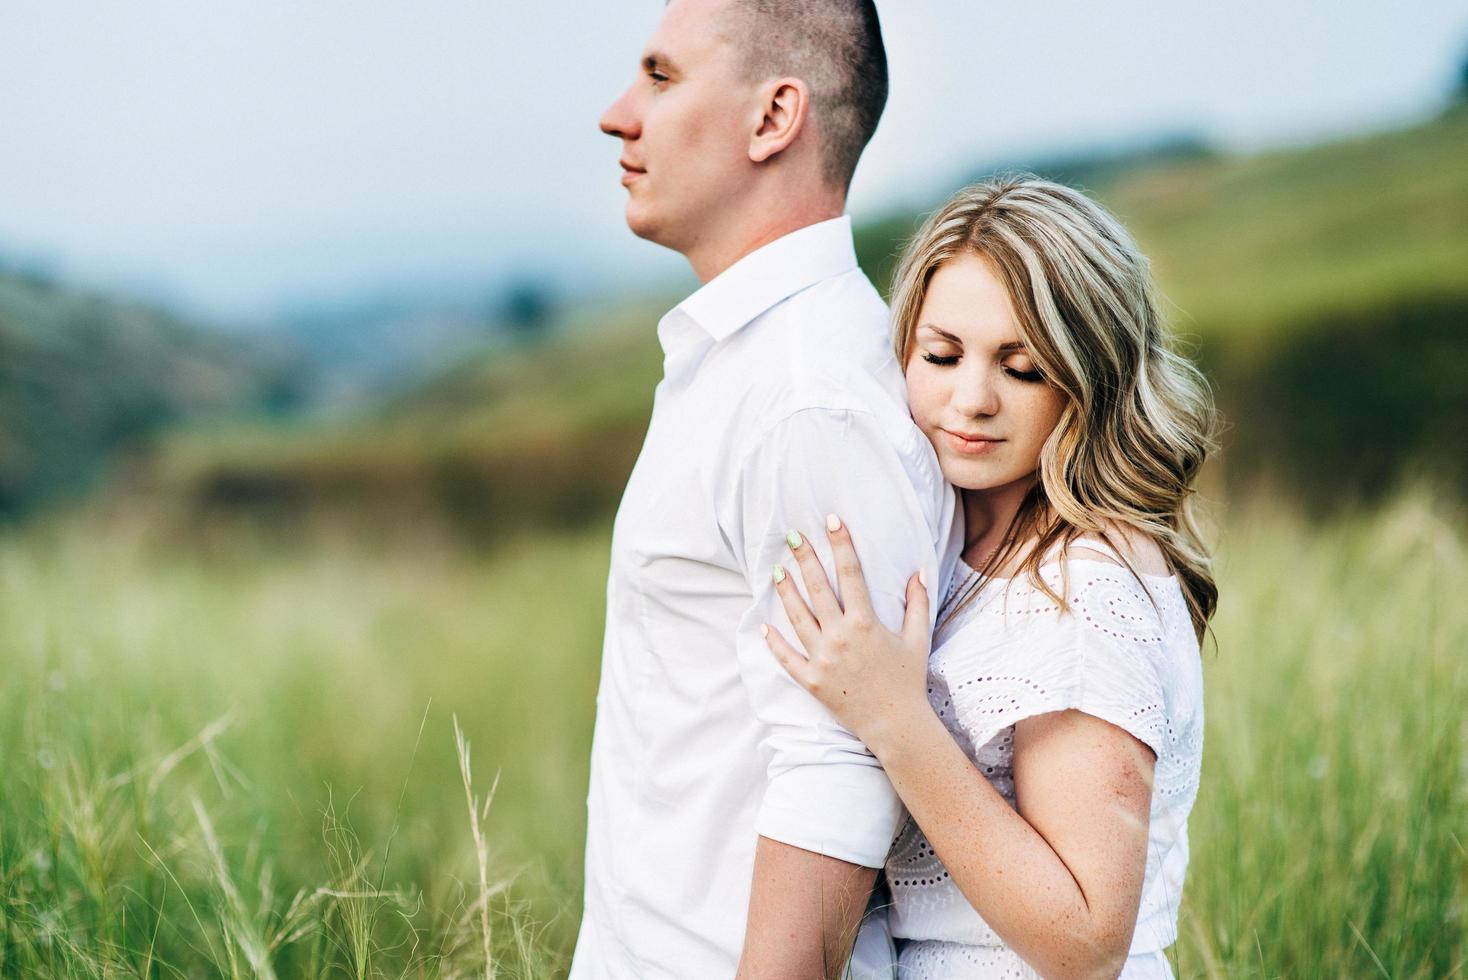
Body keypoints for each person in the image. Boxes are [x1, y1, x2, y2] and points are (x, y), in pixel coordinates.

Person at [571, 1, 960, 977]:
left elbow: (839, 767)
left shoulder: (804, 401)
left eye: (661, 77)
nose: (619, 114)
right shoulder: (754, 368)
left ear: (772, 118)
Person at [763, 177, 1217, 978]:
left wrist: (893, 716)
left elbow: (1086, 940)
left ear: (1091, 376)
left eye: (1023, 369)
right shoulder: (961, 548)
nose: (970, 400)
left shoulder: (1085, 588)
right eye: (940, 355)